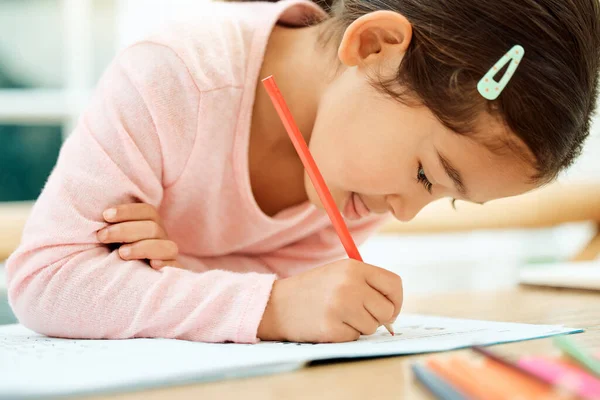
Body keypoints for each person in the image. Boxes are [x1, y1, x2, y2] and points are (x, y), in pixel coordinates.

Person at [6, 0, 600, 343]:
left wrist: (177, 272)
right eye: (425, 176)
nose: (403, 211)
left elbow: (218, 298)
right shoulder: (177, 78)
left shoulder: (351, 179)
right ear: (373, 47)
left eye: (443, 198)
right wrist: (275, 308)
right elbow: (48, 282)